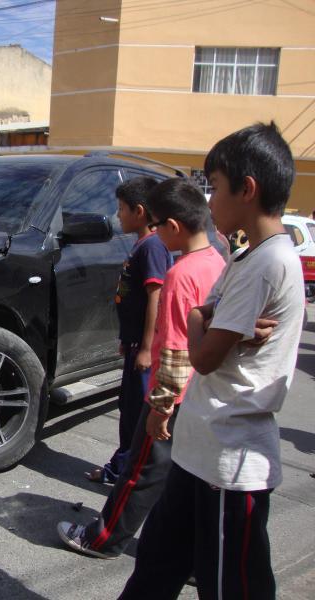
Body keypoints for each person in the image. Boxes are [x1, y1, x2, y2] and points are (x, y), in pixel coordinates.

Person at [118, 122, 302, 600]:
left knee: (232, 587)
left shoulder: (268, 264)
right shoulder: (243, 257)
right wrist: (206, 316)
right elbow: (204, 317)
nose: (210, 199)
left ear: (248, 189)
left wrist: (202, 321)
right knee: (157, 566)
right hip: (199, 452)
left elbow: (202, 357)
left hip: (230, 462)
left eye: (215, 187)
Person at [57, 178, 225, 559]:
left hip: (173, 392)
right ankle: (196, 557)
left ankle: (101, 539)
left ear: (173, 227)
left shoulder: (181, 274)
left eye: (159, 225)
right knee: (187, 480)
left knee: (139, 473)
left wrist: (162, 406)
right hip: (199, 392)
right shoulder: (216, 262)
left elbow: (178, 347)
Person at [87, 177, 172, 483]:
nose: (117, 215)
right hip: (134, 344)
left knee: (137, 414)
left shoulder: (151, 247)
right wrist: (128, 339)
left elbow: (155, 297)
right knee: (129, 409)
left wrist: (147, 347)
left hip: (144, 349)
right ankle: (123, 466)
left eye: (121, 209)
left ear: (139, 211)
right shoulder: (142, 245)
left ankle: (128, 471)